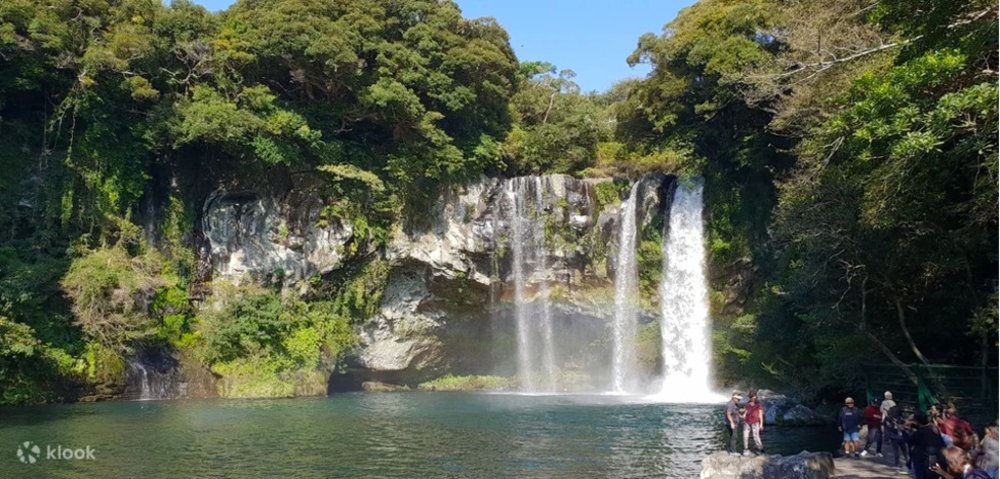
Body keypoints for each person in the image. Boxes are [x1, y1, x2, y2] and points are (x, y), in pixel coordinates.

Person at [908, 412, 947, 479]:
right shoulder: (934, 428)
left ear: (916, 422)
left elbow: (910, 441)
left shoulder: (919, 432)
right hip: (934, 457)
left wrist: (907, 431)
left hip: (923, 458)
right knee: (932, 475)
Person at [884, 406, 910, 473]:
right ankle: (908, 463)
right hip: (901, 437)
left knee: (897, 451)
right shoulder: (901, 418)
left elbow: (888, 426)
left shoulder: (889, 418)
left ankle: (897, 463)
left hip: (894, 436)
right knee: (904, 451)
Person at [743, 390, 765, 456]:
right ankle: (746, 449)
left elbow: (760, 415)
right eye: (750, 397)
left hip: (755, 422)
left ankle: (761, 450)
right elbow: (745, 412)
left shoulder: (758, 404)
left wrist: (761, 424)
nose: (750, 398)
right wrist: (743, 415)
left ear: (755, 396)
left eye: (751, 396)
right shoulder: (747, 404)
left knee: (756, 437)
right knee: (745, 436)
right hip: (747, 422)